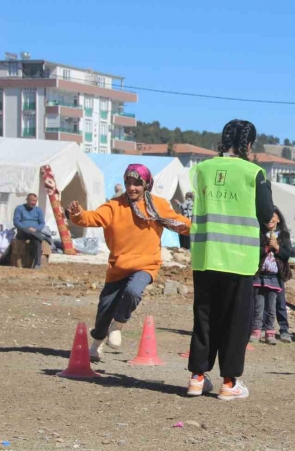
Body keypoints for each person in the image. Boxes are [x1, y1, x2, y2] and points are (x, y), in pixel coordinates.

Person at [186, 119, 274, 401]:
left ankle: (197, 378)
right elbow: (265, 212)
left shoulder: (201, 169)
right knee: (235, 321)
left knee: (204, 317)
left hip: (206, 254)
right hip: (239, 258)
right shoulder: (254, 172)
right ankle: (229, 382)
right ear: (249, 145)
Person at [67, 165, 191, 360]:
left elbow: (180, 223)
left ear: (146, 184)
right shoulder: (114, 206)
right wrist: (78, 214)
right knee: (104, 310)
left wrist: (203, 228)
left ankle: (118, 325)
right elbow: (91, 218)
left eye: (137, 183)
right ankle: (97, 343)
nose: (132, 187)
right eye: (128, 183)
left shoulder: (158, 206)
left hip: (147, 264)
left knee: (133, 291)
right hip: (118, 266)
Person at [251, 207, 293, 345]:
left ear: (278, 219)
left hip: (277, 276)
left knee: (277, 304)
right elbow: (253, 251)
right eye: (267, 216)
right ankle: (257, 329)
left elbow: (287, 255)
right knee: (258, 305)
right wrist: (267, 249)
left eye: (273, 216)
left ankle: (283, 330)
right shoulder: (258, 234)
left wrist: (277, 247)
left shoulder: (284, 236)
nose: (270, 219)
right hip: (260, 275)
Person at [13, 193, 48, 269]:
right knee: (35, 235)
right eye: (32, 200)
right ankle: (42, 237)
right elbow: (16, 222)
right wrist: (27, 228)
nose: (34, 203)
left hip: (35, 231)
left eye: (35, 201)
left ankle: (37, 264)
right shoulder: (19, 208)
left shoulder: (38, 210)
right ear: (27, 200)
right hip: (23, 232)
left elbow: (42, 223)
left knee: (37, 240)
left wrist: (35, 229)